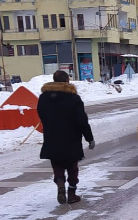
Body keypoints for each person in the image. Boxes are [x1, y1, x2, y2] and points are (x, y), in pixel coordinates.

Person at [37, 70, 95, 204]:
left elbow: (41, 114)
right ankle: (72, 193)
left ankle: (60, 184)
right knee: (72, 167)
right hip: (71, 138)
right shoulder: (73, 98)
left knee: (57, 164)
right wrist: (89, 138)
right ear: (67, 81)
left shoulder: (44, 97)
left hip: (52, 137)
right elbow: (82, 120)